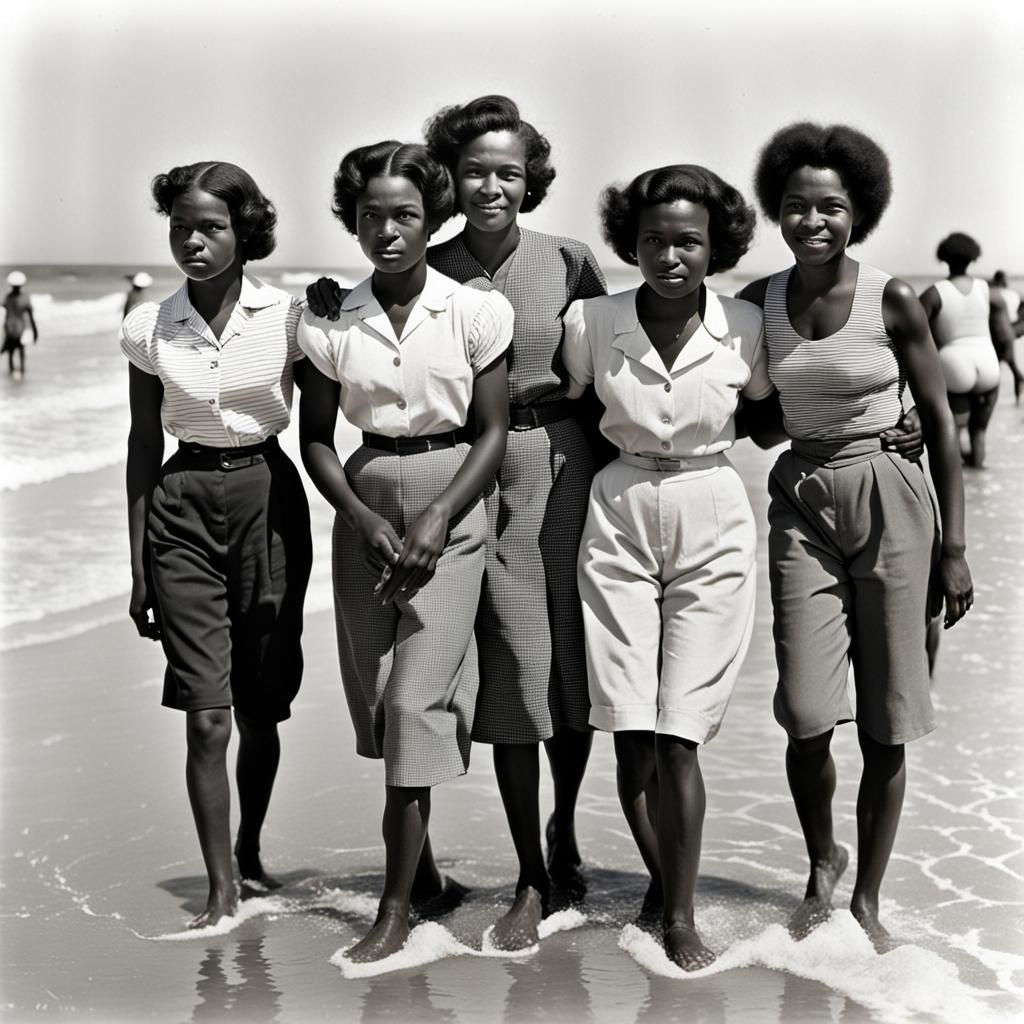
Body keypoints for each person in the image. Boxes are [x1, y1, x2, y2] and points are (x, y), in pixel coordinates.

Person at [308, 95, 608, 951]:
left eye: (508, 171)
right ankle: (442, 869)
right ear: (449, 181)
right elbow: (371, 317)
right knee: (421, 672)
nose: (490, 186)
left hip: (550, 465)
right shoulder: (423, 261)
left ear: (532, 180)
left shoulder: (569, 260)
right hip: (452, 467)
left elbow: (614, 355)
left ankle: (553, 850)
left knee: (542, 664)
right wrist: (330, 299)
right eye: (473, 170)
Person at [738, 122, 973, 952]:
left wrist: (953, 546)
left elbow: (941, 423)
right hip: (801, 500)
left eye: (831, 207)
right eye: (797, 206)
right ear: (778, 209)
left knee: (886, 718)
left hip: (894, 499)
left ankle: (866, 897)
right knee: (806, 712)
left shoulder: (894, 298)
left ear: (858, 212)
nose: (812, 221)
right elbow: (754, 416)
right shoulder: (758, 304)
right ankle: (820, 858)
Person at [297, 140, 512, 963]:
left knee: (419, 698)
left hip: (452, 496)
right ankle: (425, 882)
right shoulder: (326, 315)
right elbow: (317, 438)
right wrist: (357, 513)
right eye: (371, 217)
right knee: (383, 698)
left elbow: (491, 431)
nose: (388, 232)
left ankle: (394, 910)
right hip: (364, 502)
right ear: (352, 221)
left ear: (435, 220)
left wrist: (440, 518)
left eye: (406, 216)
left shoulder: (474, 310)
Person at [561, 164, 769, 970]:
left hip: (712, 511)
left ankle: (678, 916)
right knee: (632, 728)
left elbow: (772, 411)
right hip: (616, 514)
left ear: (716, 246)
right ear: (630, 242)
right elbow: (569, 404)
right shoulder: (593, 320)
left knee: (681, 734)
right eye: (653, 240)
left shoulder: (747, 325)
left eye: (688, 241)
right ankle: (661, 879)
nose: (670, 256)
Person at [122, 161, 312, 929]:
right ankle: (220, 883)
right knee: (206, 713)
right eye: (179, 228)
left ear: (245, 231)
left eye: (210, 227)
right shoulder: (147, 325)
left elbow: (327, 420)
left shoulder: (292, 316)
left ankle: (251, 847)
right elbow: (141, 443)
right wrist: (136, 563)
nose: (192, 242)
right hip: (181, 507)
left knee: (261, 707)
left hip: (270, 496)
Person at [918, 233, 1003, 466]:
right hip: (988, 362)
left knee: (951, 435)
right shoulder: (987, 289)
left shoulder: (935, 292)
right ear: (973, 258)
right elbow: (1003, 325)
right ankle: (982, 483)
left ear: (944, 258)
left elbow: (913, 330)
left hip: (954, 364)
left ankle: (960, 491)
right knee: (979, 432)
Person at [988, 269, 1023, 403]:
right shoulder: (1013, 294)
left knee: (996, 370)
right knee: (1012, 366)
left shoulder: (992, 293)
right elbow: (1015, 316)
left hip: (995, 335)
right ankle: (1018, 401)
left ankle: (992, 403)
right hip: (1009, 333)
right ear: (1004, 280)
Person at [3, 270, 38, 378]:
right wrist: (35, 331)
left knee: (10, 352)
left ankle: (11, 374)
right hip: (20, 328)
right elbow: (31, 316)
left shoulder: (7, 297)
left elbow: (4, 310)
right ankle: (22, 373)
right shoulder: (25, 298)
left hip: (9, 327)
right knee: (21, 352)